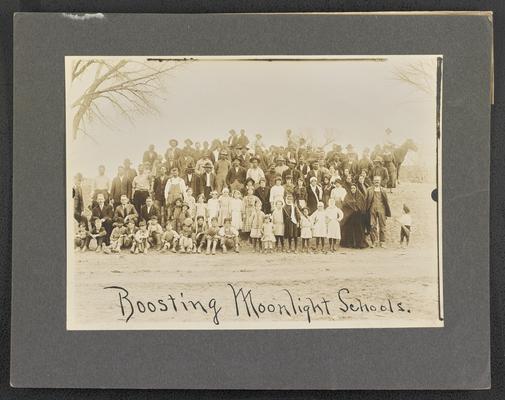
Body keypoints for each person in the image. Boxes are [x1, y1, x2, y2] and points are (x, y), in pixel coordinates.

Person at [365, 176, 392, 248]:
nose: (376, 182)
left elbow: (386, 202)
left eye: (378, 180)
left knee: (382, 225)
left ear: (380, 181)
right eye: (375, 180)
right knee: (372, 225)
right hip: (372, 209)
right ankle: (374, 241)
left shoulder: (383, 190)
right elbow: (366, 201)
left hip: (381, 209)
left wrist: (386, 212)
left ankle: (382, 242)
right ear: (373, 181)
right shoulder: (369, 190)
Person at [340, 183, 368, 249]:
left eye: (354, 188)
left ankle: (358, 243)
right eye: (351, 188)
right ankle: (349, 243)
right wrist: (353, 203)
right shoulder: (347, 195)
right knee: (348, 228)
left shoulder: (360, 195)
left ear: (356, 189)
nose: (353, 189)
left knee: (358, 229)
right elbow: (345, 204)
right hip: (349, 216)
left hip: (358, 215)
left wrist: (354, 204)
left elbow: (361, 204)